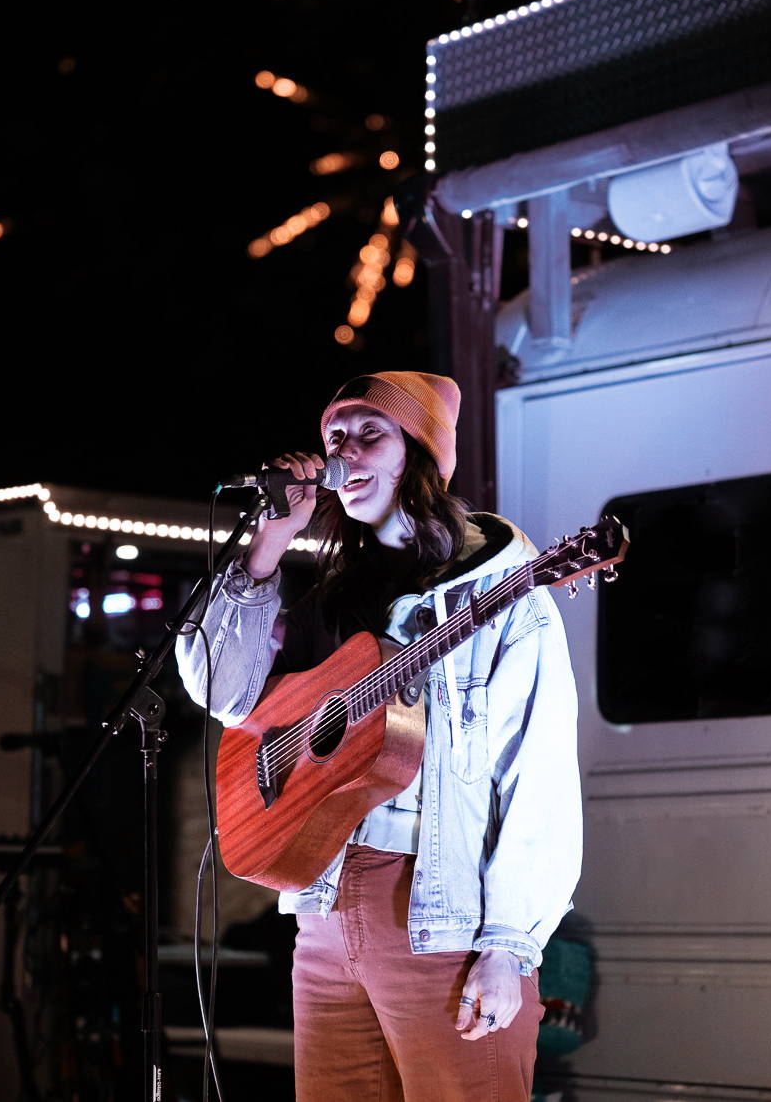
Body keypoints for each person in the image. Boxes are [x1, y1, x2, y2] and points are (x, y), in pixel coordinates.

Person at [176, 370, 581, 1100]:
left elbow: (538, 768)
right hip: (323, 916)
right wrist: (267, 545)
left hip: (438, 914)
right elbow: (221, 693)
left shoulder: (501, 586)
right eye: (334, 437)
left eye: (370, 434)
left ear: (419, 452)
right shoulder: (333, 595)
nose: (345, 452)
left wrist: (509, 942)